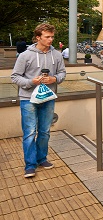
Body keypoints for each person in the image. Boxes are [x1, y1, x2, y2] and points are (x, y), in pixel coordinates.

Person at [11, 23, 66, 178]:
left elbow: (62, 73)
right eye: (47, 37)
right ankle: (30, 165)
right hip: (28, 99)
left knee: (44, 131)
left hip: (48, 98)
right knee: (29, 133)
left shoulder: (57, 55)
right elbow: (15, 77)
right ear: (38, 37)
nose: (51, 39)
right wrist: (31, 82)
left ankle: (42, 159)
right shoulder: (25, 55)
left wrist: (54, 79)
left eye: (52, 37)